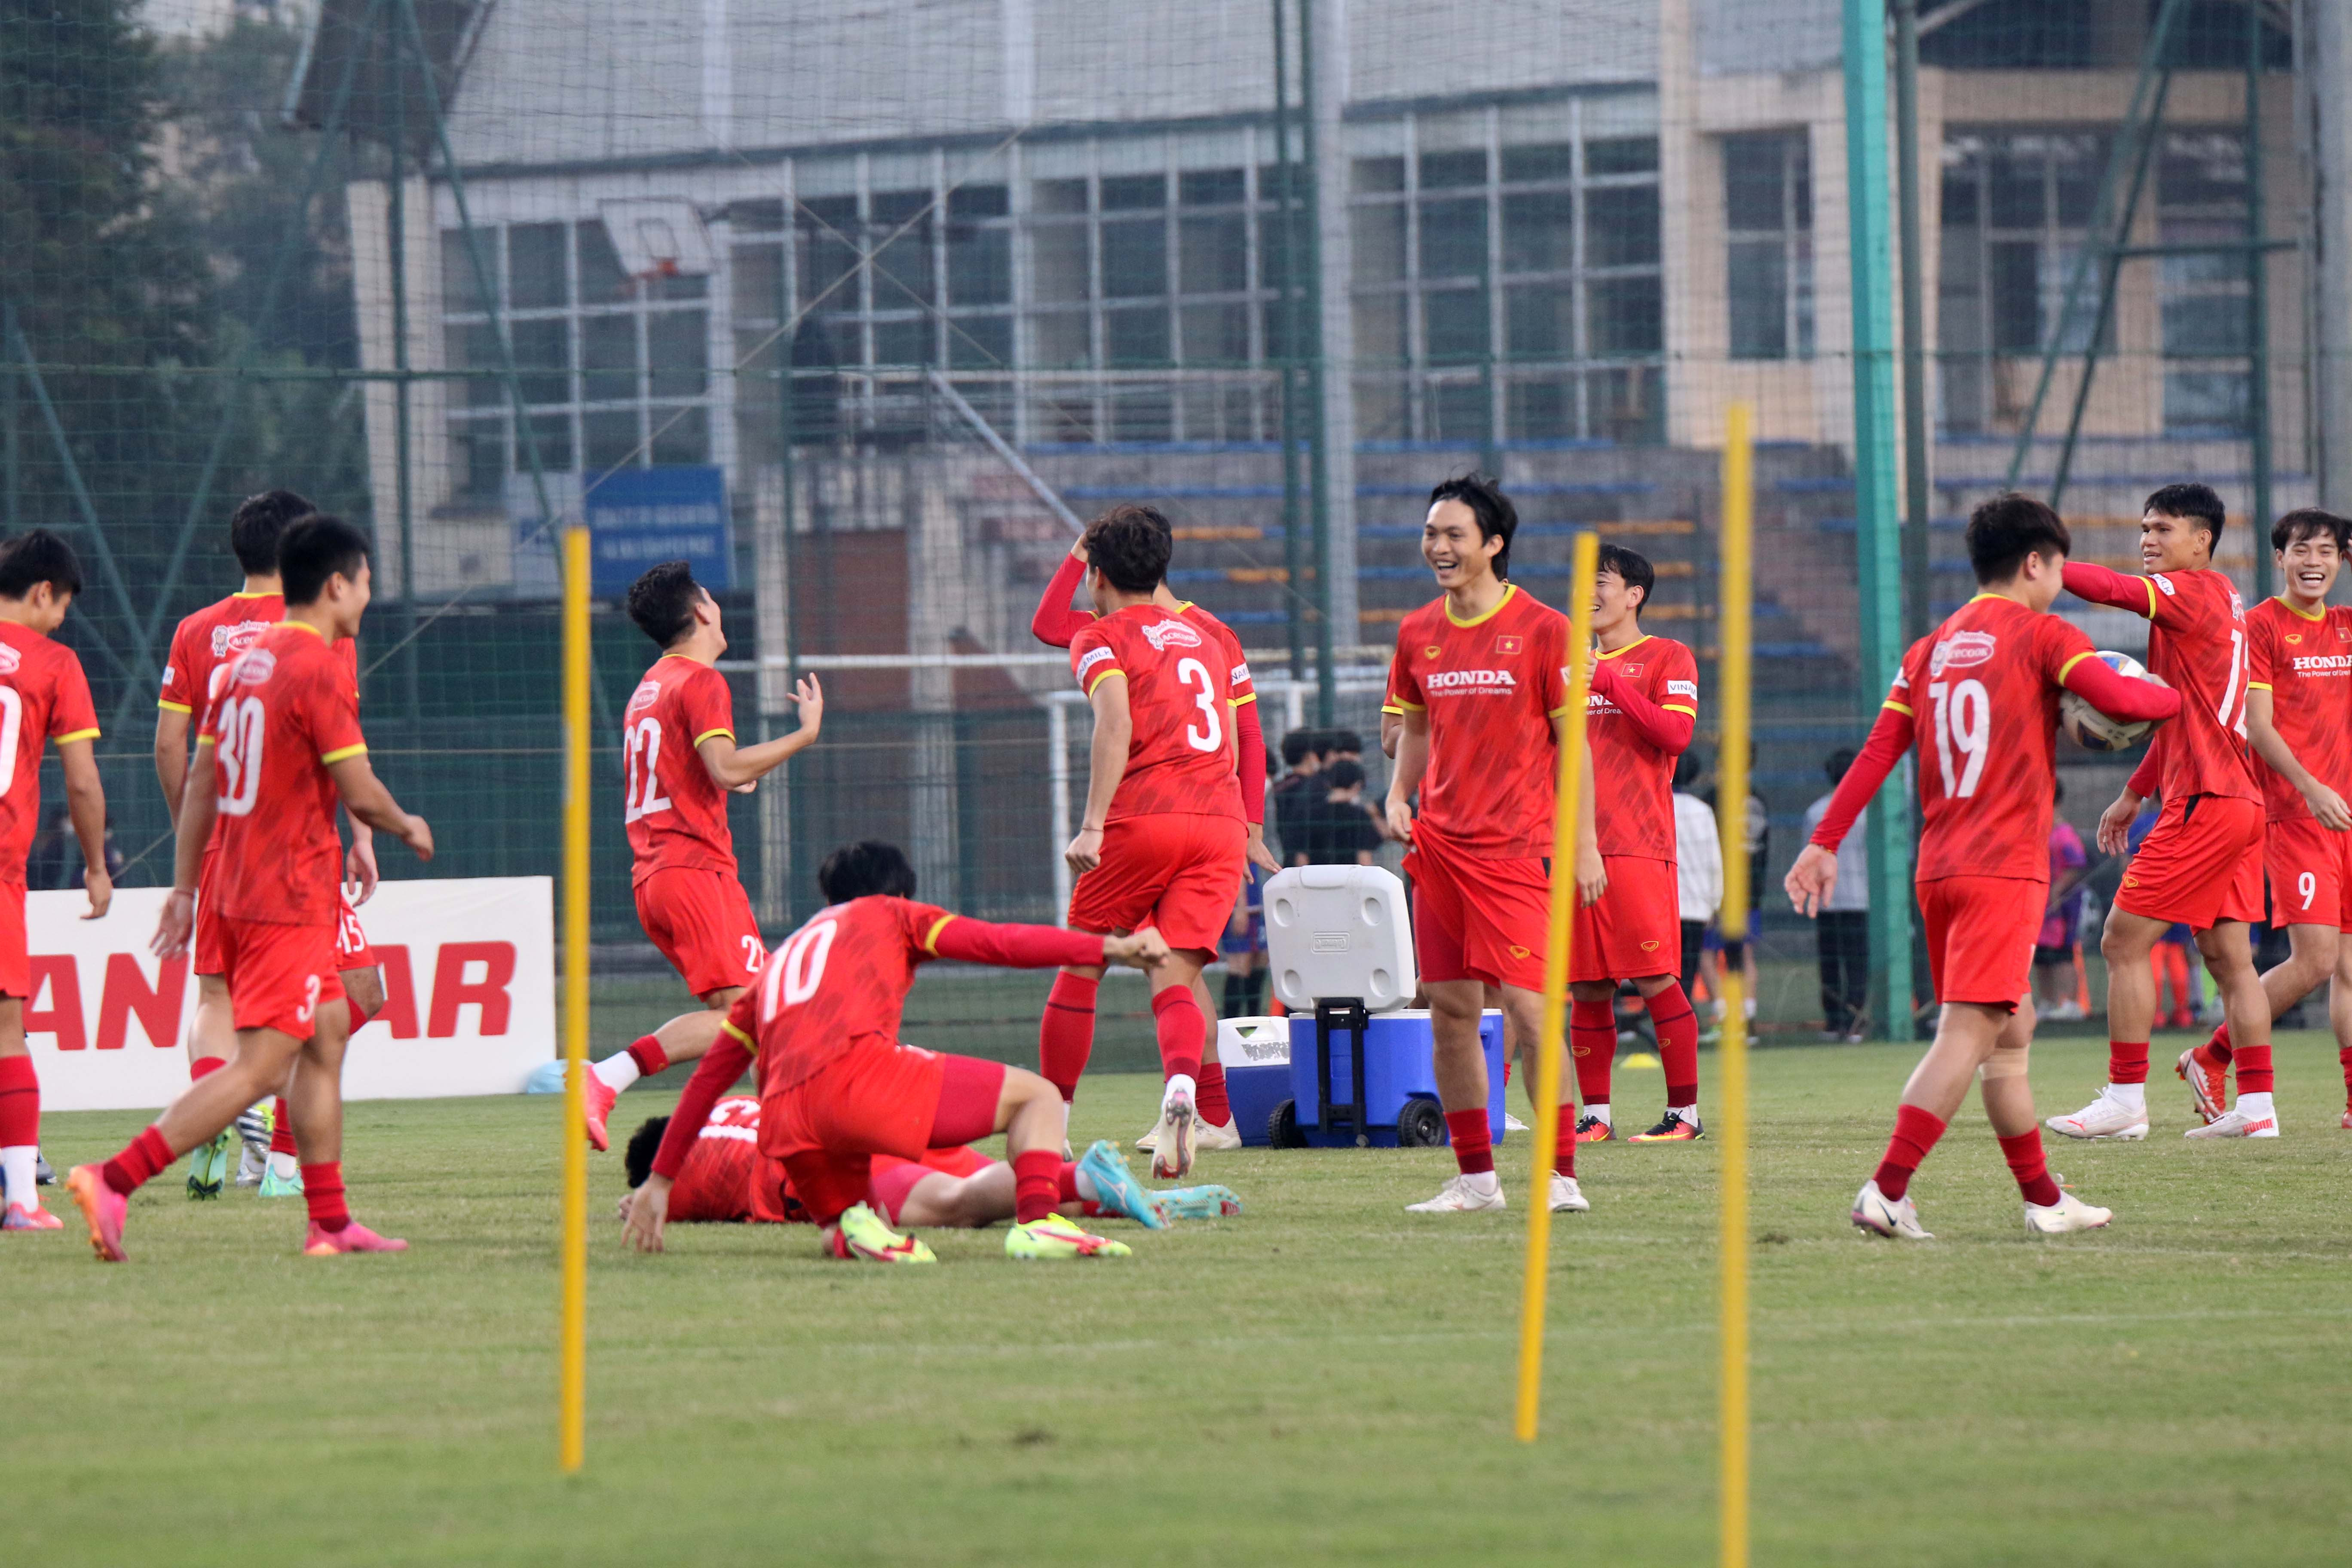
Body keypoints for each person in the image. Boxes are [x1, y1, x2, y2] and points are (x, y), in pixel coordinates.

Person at [1786, 493, 2177, 1239]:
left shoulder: (1929, 647)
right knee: (1966, 1030)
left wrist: (1823, 839)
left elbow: (1877, 752)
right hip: (2003, 866)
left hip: (1939, 869)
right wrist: (2181, 693)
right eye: (2058, 568)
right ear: (2035, 562)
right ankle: (1887, 1189)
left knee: (2011, 1029)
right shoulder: (2043, 635)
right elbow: (2125, 695)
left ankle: (2044, 1198)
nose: (2060, 581)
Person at [72, 516, 435, 1260]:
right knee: (264, 1065)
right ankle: (112, 1177)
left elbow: (200, 775)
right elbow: (359, 791)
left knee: (328, 1030)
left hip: (232, 880)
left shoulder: (243, 662)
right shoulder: (319, 663)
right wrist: (405, 823)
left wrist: (184, 887)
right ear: (337, 584)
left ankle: (329, 1222)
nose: (369, 594)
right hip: (287, 892)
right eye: (366, 581)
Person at [622, 840, 1169, 1263]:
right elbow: (1000, 943)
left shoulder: (780, 960)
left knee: (852, 1221)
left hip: (788, 1128)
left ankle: (847, 1231)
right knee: (1040, 1097)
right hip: (858, 1085)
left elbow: (708, 1080)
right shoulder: (892, 915)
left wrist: (661, 1181)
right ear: (899, 894)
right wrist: (1110, 947)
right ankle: (1039, 1224)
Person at [154, 489, 389, 1200]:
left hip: (221, 848)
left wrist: (196, 847)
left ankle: (224, 1112)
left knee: (215, 995)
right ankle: (280, 1158)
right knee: (357, 996)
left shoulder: (198, 630)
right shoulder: (318, 630)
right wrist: (365, 836)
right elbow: (337, 746)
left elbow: (171, 746)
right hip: (292, 852)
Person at [1381, 472, 1600, 1214]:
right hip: (1439, 849)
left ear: (1494, 544)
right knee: (1448, 1011)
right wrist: (1398, 794)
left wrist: (1586, 843)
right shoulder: (1416, 631)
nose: (1437, 548)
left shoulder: (1545, 628)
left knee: (1536, 1015)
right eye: (1430, 535)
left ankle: (1561, 1174)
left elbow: (1576, 747)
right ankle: (1477, 1178)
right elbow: (1412, 726)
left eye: (1454, 536)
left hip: (1516, 850)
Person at [1029, 509, 1278, 1159]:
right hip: (1216, 824)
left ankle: (1053, 1122)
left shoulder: (1104, 635)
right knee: (1172, 972)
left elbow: (1113, 722)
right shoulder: (1210, 637)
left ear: (1097, 574)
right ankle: (1187, 1093)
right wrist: (1246, 826)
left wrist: (1091, 826)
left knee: (1081, 966)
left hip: (1145, 816)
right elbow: (1244, 736)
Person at [2049, 484, 2272, 1142]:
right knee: (2231, 958)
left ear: (2202, 540)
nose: (2149, 539)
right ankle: (2259, 1111)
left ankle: (2124, 1099)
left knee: (2121, 941)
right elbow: (2182, 712)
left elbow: (2113, 590)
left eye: (2163, 529)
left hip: (2206, 803)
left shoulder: (2191, 592)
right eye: (2145, 528)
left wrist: (2042, 567)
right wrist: (2136, 792)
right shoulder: (2226, 598)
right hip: (2238, 800)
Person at [580, 560, 824, 1152]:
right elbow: (723, 764)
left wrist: (728, 779)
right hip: (694, 873)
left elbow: (695, 773)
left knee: (759, 1020)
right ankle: (607, 1075)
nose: (719, 607)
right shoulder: (701, 681)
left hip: (657, 877)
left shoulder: (650, 686)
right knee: (760, 1016)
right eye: (712, 598)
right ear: (701, 613)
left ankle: (784, 1145)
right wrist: (804, 734)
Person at [2175, 508, 2352, 1132]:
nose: (2314, 562)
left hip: (2347, 816)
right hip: (2295, 814)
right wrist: (2310, 788)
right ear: (2279, 558)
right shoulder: (2259, 628)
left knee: (2349, 968)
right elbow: (2256, 726)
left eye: (2329, 552)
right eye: (2302, 550)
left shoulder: (2346, 627)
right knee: (2316, 961)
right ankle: (2213, 1054)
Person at [1567, 543, 1704, 1145]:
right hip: (1572, 845)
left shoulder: (1668, 656)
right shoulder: (1563, 665)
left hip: (1636, 842)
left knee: (1653, 977)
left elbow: (1675, 734)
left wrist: (1609, 683)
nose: (1588, 593)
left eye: (1601, 582)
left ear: (1633, 595)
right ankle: (1595, 1117)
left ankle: (1685, 1116)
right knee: (1588, 985)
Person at [621, 1099, 1241, 1230]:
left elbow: (659, 1199)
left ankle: (1087, 1176)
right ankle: (1137, 1199)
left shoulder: (682, 1171)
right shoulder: (729, 1109)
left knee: (956, 1207)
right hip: (873, 1119)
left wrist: (644, 1196)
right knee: (1004, 1194)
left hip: (838, 1168)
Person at [0, 531, 109, 1231]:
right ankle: (20, 1198)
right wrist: (97, 865)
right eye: (62, 604)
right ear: (44, 591)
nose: (63, 618)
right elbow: (80, 778)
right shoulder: (54, 662)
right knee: (8, 1031)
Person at [1800, 747, 1870, 1042]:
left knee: (1829, 961)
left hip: (1826, 900)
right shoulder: (1867, 811)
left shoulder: (1816, 812)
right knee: (1857, 962)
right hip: (1860, 898)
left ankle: (1833, 1021)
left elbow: (1809, 856)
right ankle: (1855, 1022)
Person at [2032, 781, 2092, 1020]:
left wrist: (2056, 892)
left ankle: (2070, 1002)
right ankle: (2047, 1002)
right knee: (2042, 956)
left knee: (2063, 954)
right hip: (2041, 906)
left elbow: (2076, 866)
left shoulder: (2064, 834)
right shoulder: (2040, 833)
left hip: (2062, 908)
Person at [1672, 750, 1722, 1004]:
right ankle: (1684, 1022)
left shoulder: (1657, 804)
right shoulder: (1703, 811)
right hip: (1695, 907)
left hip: (1664, 906)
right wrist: (1714, 903)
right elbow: (1714, 860)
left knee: (1662, 974)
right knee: (1689, 971)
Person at [1302, 758, 1387, 866]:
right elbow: (1364, 857)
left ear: (1328, 784)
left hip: (1317, 878)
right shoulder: (1360, 815)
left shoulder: (1311, 813)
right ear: (1357, 786)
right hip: (1349, 879)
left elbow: (1302, 855)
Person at [1272, 729, 1327, 866]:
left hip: (1285, 859)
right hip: (1312, 865)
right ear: (1310, 756)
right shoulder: (1314, 787)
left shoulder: (1279, 787)